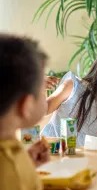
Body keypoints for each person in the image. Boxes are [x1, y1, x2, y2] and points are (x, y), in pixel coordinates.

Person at [0, 34, 50, 190]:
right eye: (43, 89)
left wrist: (26, 163)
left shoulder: (8, 146)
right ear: (26, 105)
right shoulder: (12, 177)